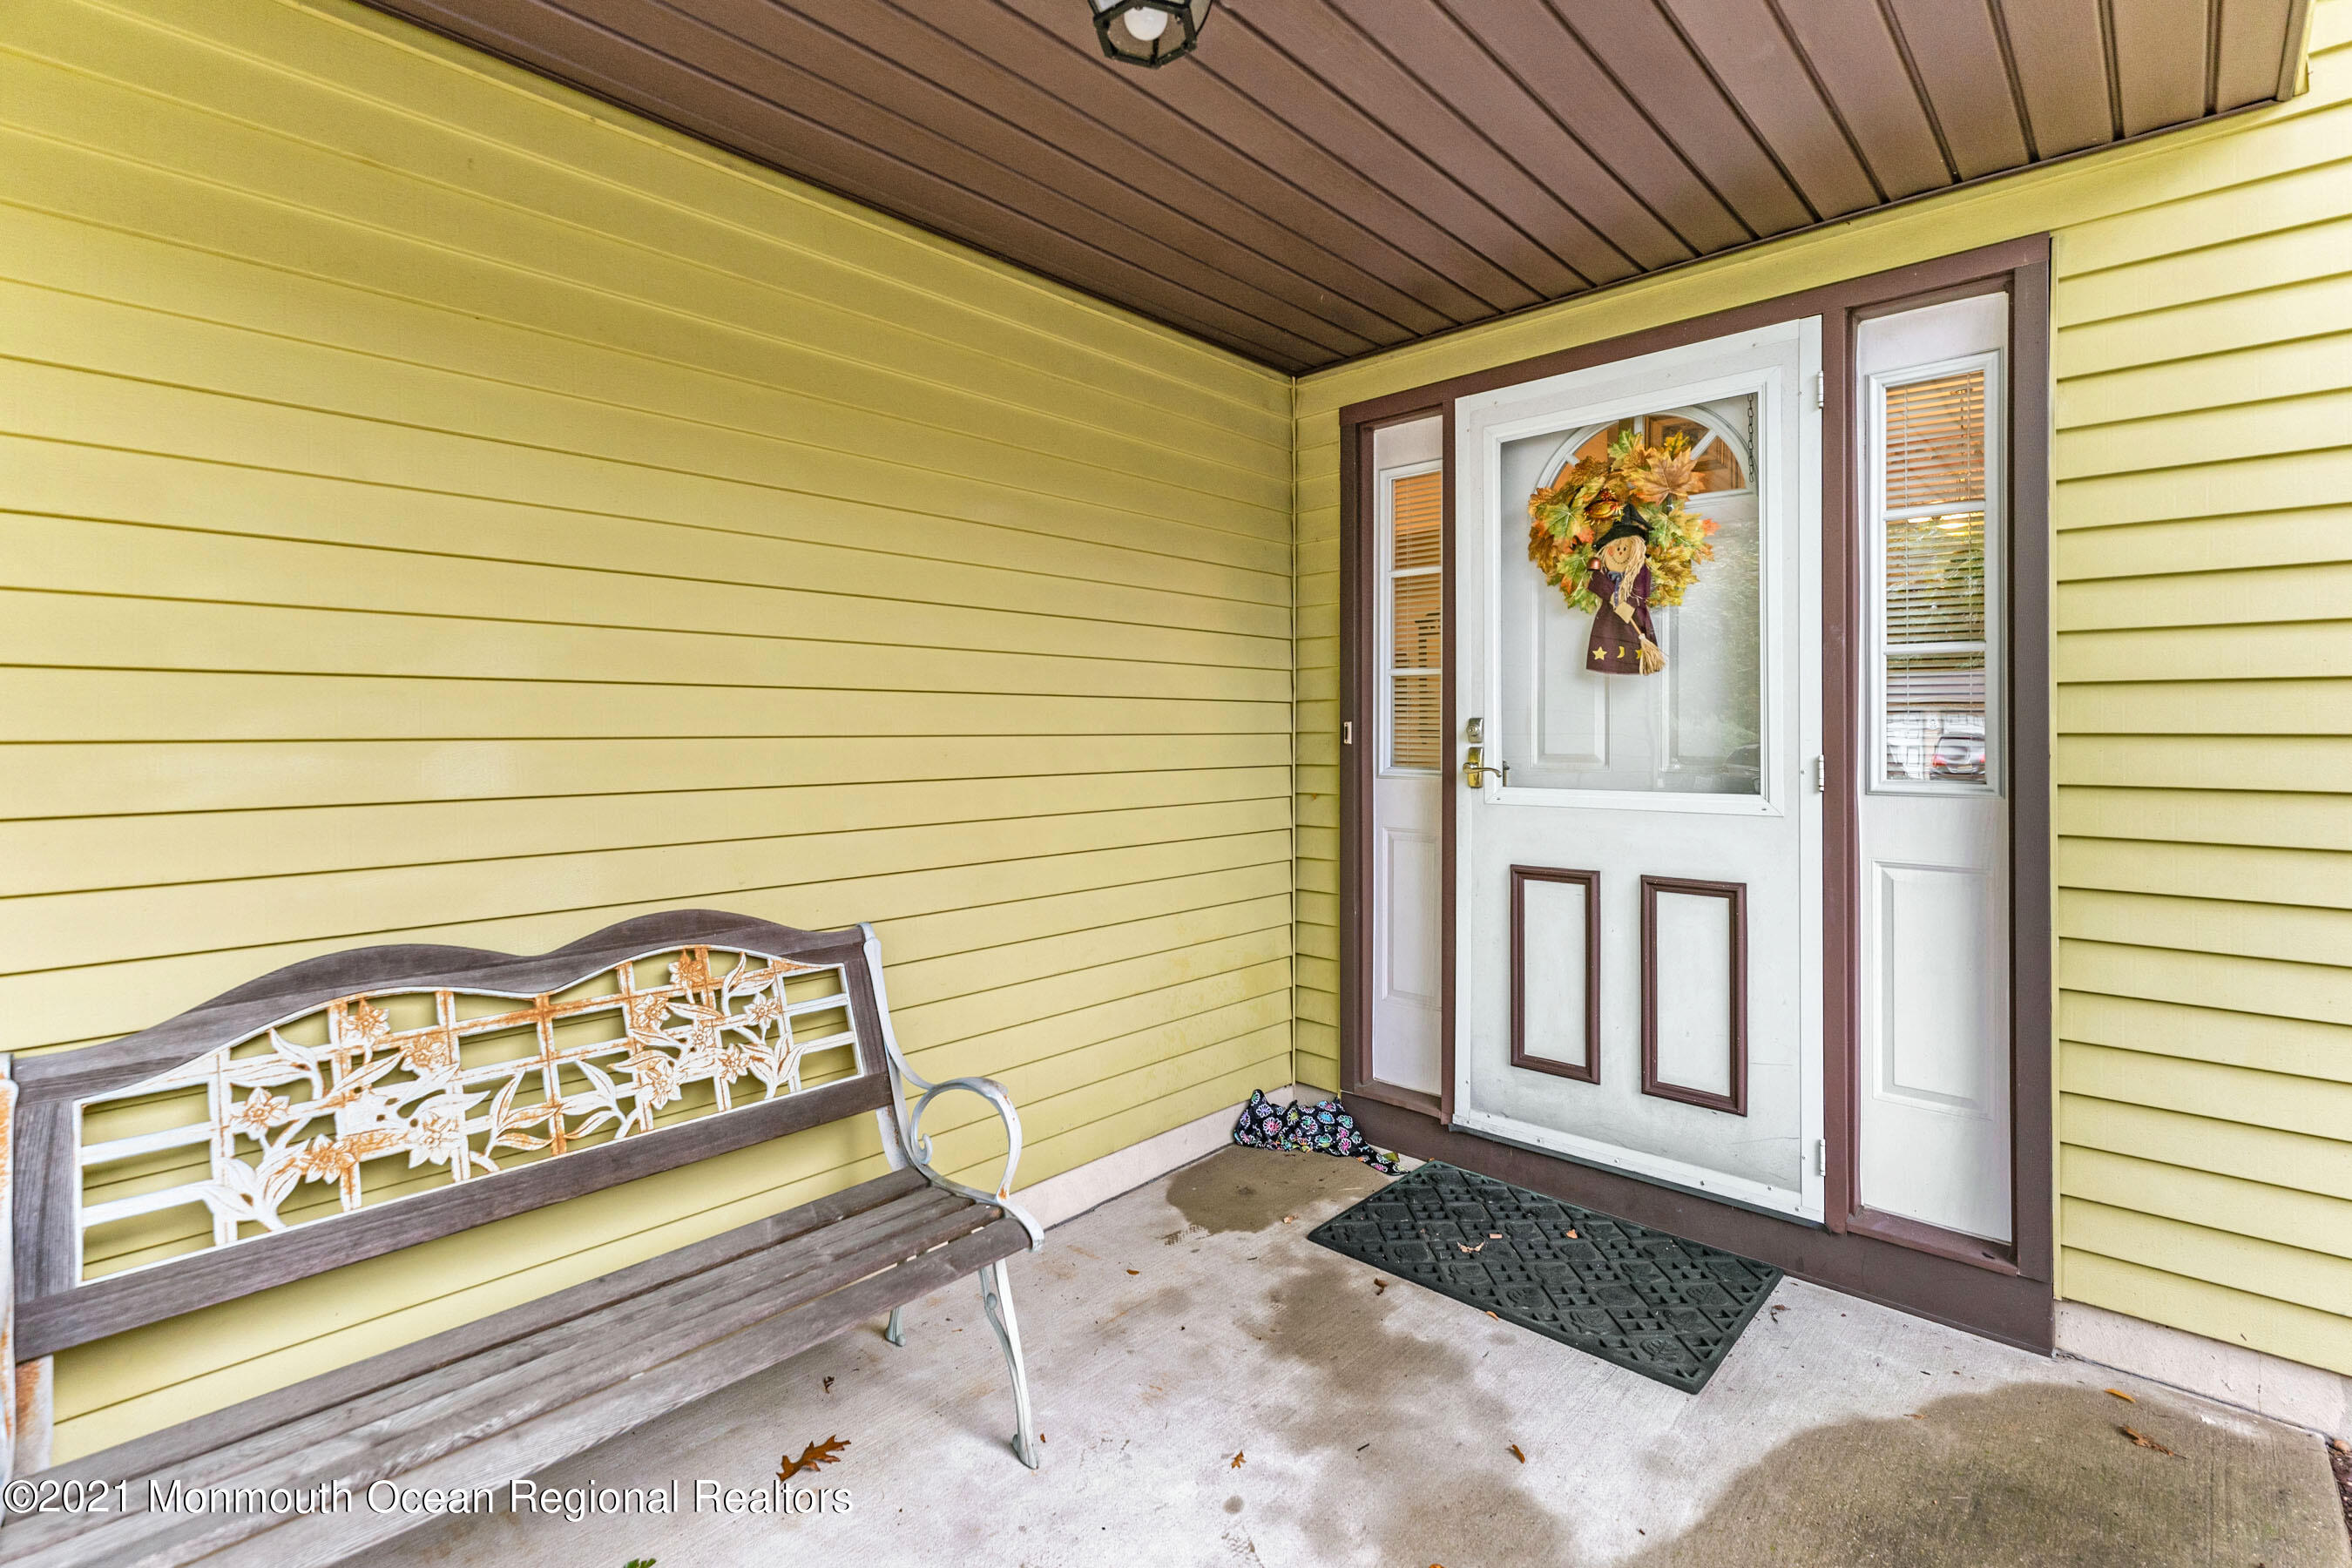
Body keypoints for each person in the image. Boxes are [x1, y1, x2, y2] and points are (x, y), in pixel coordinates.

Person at [1584, 520, 1665, 675]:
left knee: (1633, 640)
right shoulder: (1602, 573)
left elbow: (1641, 591)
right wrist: (1613, 596)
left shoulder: (1641, 572)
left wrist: (1628, 604)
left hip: (1634, 614)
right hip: (1609, 616)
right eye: (1618, 548)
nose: (1620, 552)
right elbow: (1596, 582)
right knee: (1608, 636)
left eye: (1625, 549)